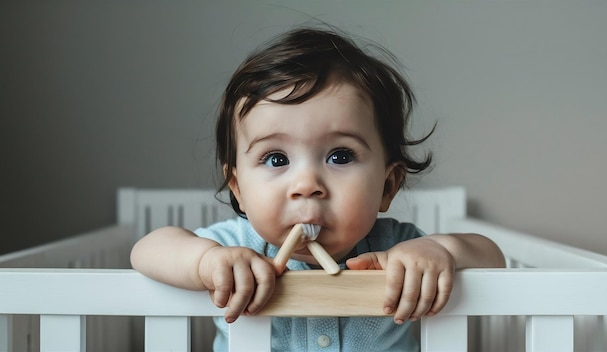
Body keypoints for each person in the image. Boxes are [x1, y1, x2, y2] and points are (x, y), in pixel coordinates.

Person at [130, 26, 505, 351]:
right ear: (239, 189)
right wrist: (204, 262)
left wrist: (441, 250)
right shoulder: (235, 248)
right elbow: (147, 250)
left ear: (388, 186)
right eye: (276, 159)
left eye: (340, 156)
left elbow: (492, 258)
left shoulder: (399, 249)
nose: (307, 185)